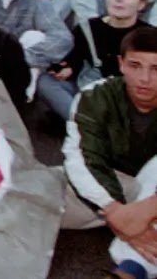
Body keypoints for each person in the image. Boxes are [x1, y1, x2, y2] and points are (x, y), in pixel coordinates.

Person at [61, 27, 157, 279]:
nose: (144, 78)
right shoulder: (95, 95)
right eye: (135, 65)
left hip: (153, 196)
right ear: (121, 63)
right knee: (33, 191)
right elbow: (82, 158)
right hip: (109, 190)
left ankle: (129, 271)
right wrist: (116, 212)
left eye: (156, 69)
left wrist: (148, 209)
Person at [41, 0, 153, 121]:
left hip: (127, 95)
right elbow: (75, 58)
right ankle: (82, 121)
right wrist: (68, 67)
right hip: (90, 90)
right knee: (46, 83)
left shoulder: (148, 36)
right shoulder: (89, 27)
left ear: (141, 4)